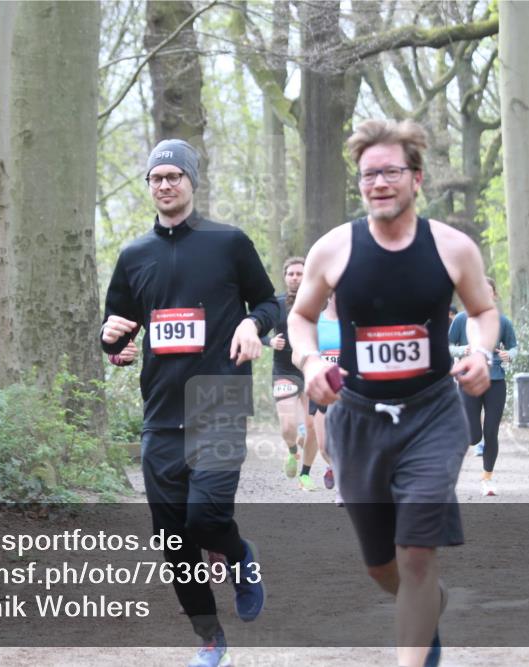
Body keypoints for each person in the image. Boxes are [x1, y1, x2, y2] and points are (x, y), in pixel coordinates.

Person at [287, 119, 499, 667]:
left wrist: (480, 352)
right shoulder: (334, 249)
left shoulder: (452, 247)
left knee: (415, 560)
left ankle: (418, 611)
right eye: (368, 175)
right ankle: (426, 604)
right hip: (358, 421)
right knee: (383, 567)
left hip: (432, 416)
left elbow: (483, 311)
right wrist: (310, 361)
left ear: (416, 178)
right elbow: (301, 318)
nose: (379, 183)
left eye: (390, 172)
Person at [100, 139, 277, 667]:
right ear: (149, 187)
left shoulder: (229, 243)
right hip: (159, 410)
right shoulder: (134, 256)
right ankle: (209, 638)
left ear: (191, 182)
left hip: (218, 396)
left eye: (175, 176)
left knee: (206, 518)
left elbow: (270, 302)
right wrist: (110, 341)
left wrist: (252, 323)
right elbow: (117, 326)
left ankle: (241, 557)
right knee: (173, 539)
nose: (165, 185)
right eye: (156, 178)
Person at [448, 277, 518, 496]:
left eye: (488, 292)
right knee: (473, 436)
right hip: (468, 381)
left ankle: (487, 478)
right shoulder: (460, 320)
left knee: (491, 432)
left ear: (494, 295)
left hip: (495, 381)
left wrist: (510, 355)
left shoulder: (502, 321)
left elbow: (514, 347)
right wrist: (463, 351)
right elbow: (447, 346)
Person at [264, 256, 321, 491]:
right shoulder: (275, 303)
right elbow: (253, 329)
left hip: (310, 368)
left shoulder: (319, 301)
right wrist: (269, 340)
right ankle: (292, 451)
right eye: (291, 274)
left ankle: (305, 474)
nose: (295, 277)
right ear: (285, 277)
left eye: (300, 273)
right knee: (288, 426)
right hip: (284, 371)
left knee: (312, 427)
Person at [308, 294, 339, 501]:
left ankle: (344, 486)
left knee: (348, 438)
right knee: (324, 445)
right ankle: (333, 466)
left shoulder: (354, 319)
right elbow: (302, 353)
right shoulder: (315, 321)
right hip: (321, 385)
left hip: (347, 387)